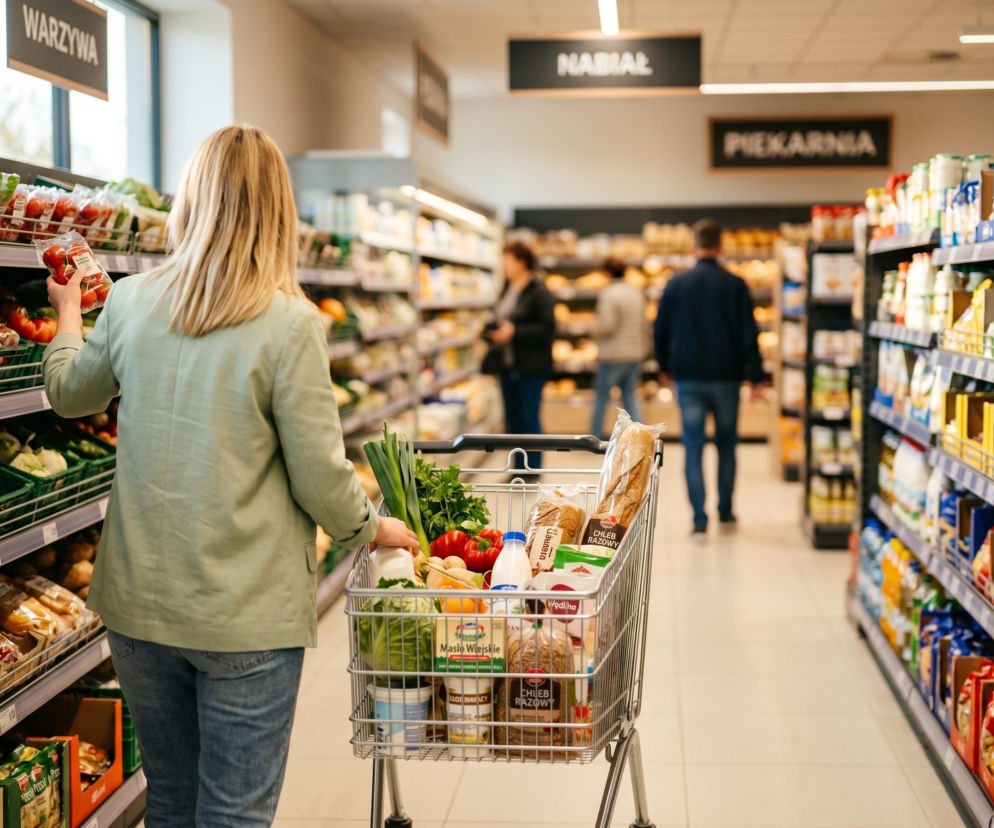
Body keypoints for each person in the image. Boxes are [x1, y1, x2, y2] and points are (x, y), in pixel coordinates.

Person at [42, 126, 417, 827]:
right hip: (244, 615)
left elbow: (68, 394)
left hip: (142, 611)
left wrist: (67, 314)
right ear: (279, 213)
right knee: (235, 813)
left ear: (192, 201)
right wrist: (372, 526)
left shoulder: (130, 301)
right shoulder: (290, 324)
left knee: (172, 802)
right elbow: (318, 476)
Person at [653, 218, 764, 536]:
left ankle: (699, 518)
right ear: (721, 246)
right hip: (727, 378)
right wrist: (756, 376)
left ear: (693, 245)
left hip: (688, 378)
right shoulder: (735, 284)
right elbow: (749, 334)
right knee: (727, 445)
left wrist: (664, 368)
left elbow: (660, 329)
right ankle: (726, 511)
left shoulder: (676, 283)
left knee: (693, 446)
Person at [483, 241, 555, 470]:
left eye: (507, 260)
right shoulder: (507, 288)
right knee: (512, 420)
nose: (504, 265)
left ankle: (532, 470)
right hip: (507, 365)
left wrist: (514, 332)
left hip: (530, 367)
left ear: (522, 262)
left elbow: (547, 329)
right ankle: (516, 469)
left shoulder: (539, 292)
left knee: (529, 420)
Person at [590, 256, 647, 437]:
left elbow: (607, 325)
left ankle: (594, 437)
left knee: (601, 399)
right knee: (630, 397)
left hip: (612, 355)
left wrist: (592, 330)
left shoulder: (608, 293)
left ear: (606, 273)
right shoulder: (636, 292)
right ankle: (640, 436)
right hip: (634, 353)